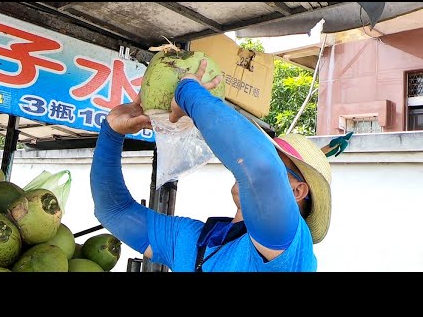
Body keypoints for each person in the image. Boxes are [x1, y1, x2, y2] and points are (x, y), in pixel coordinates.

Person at [90, 59, 332, 272]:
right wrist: (111, 132)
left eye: (279, 163)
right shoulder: (195, 240)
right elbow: (114, 211)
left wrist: (188, 92)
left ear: (297, 191)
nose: (246, 154)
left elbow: (260, 168)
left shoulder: (292, 250)